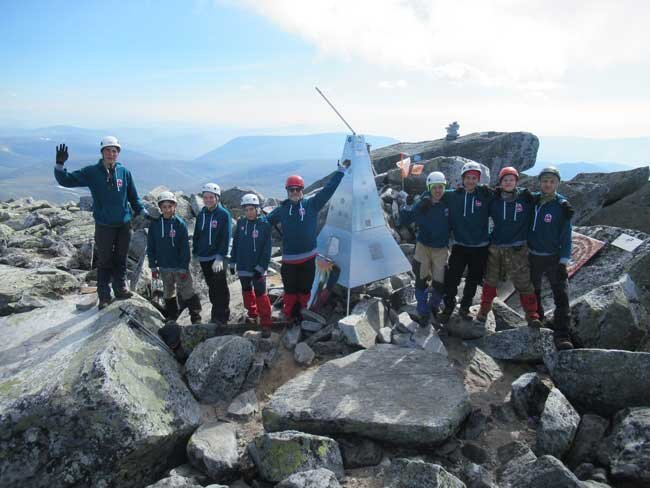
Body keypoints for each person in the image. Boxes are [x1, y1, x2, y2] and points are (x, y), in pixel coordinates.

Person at [54, 136, 147, 309]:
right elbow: (65, 180)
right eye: (108, 150)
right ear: (102, 152)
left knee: (121, 258)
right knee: (105, 261)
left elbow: (133, 197)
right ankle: (103, 296)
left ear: (117, 153)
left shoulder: (124, 172)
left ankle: (120, 289)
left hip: (124, 224)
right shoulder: (91, 172)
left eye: (114, 151)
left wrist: (142, 211)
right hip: (104, 225)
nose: (111, 154)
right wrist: (60, 165)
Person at [268, 159, 351, 323]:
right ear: (287, 190)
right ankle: (289, 313)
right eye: (291, 189)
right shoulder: (282, 209)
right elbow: (265, 223)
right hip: (289, 259)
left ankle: (302, 313)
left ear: (302, 190)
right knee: (290, 288)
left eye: (297, 189)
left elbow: (328, 190)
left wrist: (340, 172)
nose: (294, 192)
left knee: (305, 288)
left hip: (308, 258)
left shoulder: (312, 204)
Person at [475, 167, 541, 326]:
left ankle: (532, 314)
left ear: (516, 181)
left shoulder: (526, 198)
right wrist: (480, 189)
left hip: (518, 248)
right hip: (496, 247)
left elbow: (547, 196)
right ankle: (484, 310)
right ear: (500, 182)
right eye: (505, 180)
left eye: (511, 179)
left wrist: (562, 201)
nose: (508, 182)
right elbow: (474, 195)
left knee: (523, 281)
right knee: (490, 279)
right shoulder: (494, 199)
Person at [440, 161, 494, 322]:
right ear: (463, 179)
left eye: (474, 178)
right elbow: (435, 191)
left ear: (478, 180)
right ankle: (449, 306)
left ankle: (465, 307)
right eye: (468, 178)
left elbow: (506, 195)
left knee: (473, 280)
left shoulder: (485, 195)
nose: (471, 181)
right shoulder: (453, 195)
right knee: (452, 278)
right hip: (460, 246)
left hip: (481, 247)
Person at [528, 166, 574, 350]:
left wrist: (564, 260)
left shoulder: (562, 206)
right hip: (533, 255)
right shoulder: (533, 200)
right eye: (545, 181)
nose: (548, 184)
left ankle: (562, 335)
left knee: (561, 296)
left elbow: (566, 235)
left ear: (557, 184)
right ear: (539, 183)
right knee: (534, 292)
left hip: (554, 257)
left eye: (552, 181)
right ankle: (539, 325)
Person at [396, 171, 450, 326]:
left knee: (440, 281)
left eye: (441, 187)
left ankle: (434, 305)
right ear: (429, 187)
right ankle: (422, 308)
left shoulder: (448, 201)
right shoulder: (422, 203)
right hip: (423, 247)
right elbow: (404, 219)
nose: (438, 191)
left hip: (441, 248)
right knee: (421, 278)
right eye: (434, 187)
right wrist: (409, 204)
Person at [147, 191, 202, 324]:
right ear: (160, 208)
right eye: (164, 207)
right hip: (164, 266)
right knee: (168, 292)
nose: (167, 210)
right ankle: (172, 316)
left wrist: (183, 267)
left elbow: (184, 248)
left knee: (187, 291)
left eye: (170, 206)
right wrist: (153, 266)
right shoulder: (155, 225)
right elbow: (151, 246)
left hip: (179, 266)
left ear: (175, 207)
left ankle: (196, 316)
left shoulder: (180, 224)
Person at [229, 193, 273, 337]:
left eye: (252, 209)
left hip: (257, 268)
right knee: (246, 291)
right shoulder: (241, 223)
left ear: (257, 209)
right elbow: (235, 243)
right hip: (243, 266)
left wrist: (261, 268)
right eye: (246, 209)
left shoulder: (264, 225)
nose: (249, 212)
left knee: (261, 293)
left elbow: (267, 249)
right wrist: (232, 261)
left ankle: (266, 322)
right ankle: (252, 315)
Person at [192, 183, 232, 324]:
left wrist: (220, 257)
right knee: (212, 288)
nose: (208, 200)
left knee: (220, 287)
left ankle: (223, 316)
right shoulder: (202, 214)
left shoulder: (223, 214)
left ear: (217, 198)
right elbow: (197, 234)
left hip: (217, 258)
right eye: (205, 197)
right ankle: (216, 315)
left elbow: (225, 237)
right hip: (204, 257)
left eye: (211, 197)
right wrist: (195, 253)